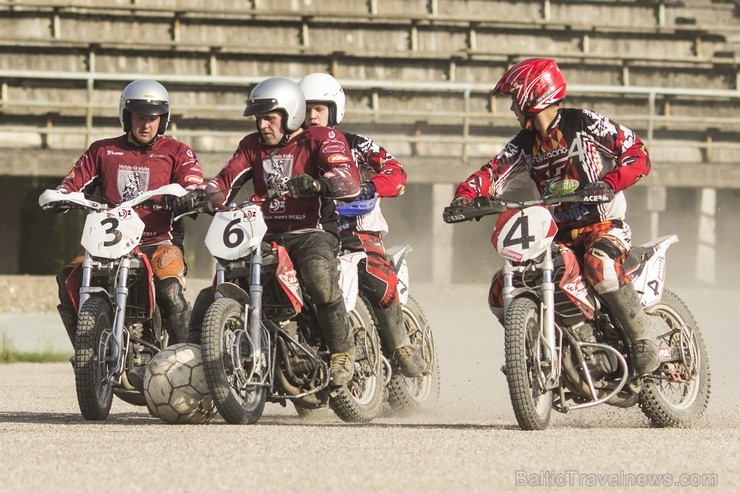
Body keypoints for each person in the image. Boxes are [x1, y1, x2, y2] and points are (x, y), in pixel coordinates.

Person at [445, 58, 659, 375]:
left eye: (514, 100)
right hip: (555, 236)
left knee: (600, 264)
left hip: (603, 227)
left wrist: (609, 183)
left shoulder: (585, 123)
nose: (512, 109)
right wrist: (465, 198)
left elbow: (636, 153)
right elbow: (489, 174)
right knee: (500, 289)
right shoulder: (522, 146)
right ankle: (541, 347)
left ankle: (643, 342)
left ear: (533, 95)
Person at [177, 77, 361, 386]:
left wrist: (318, 183)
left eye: (269, 117)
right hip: (262, 234)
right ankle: (195, 354)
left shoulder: (320, 137)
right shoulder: (252, 146)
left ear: (290, 114)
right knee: (222, 281)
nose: (262, 125)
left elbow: (348, 179)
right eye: (258, 118)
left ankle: (342, 351)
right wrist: (204, 195)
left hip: (311, 232)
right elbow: (224, 181)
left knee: (317, 275)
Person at [55, 79, 204, 350]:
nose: (145, 125)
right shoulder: (102, 150)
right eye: (139, 117)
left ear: (163, 119)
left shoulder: (178, 151)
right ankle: (87, 352)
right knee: (68, 279)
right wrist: (61, 196)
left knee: (170, 291)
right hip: (107, 246)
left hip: (159, 243)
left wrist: (190, 195)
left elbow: (194, 182)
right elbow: (72, 182)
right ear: (126, 116)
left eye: (152, 118)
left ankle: (189, 361)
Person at [298, 73, 425, 378]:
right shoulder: (292, 151)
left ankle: (400, 346)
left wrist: (371, 186)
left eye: (320, 108)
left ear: (334, 109)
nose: (313, 115)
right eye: (307, 108)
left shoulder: (355, 144)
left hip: (356, 229)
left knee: (374, 274)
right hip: (309, 232)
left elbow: (396, 171)